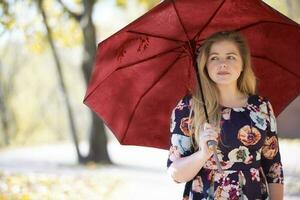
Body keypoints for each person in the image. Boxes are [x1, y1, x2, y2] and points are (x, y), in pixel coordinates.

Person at [167, 31, 284, 200]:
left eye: (231, 57)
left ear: (243, 63)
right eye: (214, 58)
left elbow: (274, 168)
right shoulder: (188, 108)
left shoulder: (261, 106)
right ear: (205, 65)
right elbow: (175, 174)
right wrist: (202, 154)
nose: (223, 64)